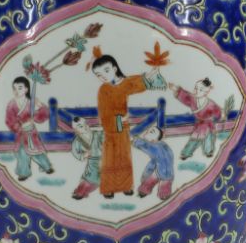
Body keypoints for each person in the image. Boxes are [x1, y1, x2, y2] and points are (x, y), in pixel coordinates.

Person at [92, 54, 165, 199]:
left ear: (114, 68)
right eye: (99, 75)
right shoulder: (103, 90)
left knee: (124, 157)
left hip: (123, 128)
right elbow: (103, 113)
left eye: (106, 71)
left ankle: (125, 186)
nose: (103, 76)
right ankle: (109, 188)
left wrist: (150, 75)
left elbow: (133, 83)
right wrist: (118, 120)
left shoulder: (123, 84)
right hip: (111, 129)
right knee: (110, 159)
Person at [5, 76, 54, 180]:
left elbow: (43, 116)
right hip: (21, 134)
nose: (16, 91)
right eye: (14, 88)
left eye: (20, 88)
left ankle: (47, 166)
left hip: (32, 132)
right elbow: (9, 121)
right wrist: (19, 127)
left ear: (26, 89)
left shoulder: (31, 102)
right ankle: (23, 173)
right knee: (22, 153)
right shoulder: (11, 104)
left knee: (38, 151)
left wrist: (40, 106)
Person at [169, 77, 222, 159]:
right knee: (194, 139)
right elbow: (185, 96)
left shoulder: (210, 104)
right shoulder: (192, 99)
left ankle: (208, 152)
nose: (196, 91)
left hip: (207, 125)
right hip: (199, 125)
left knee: (208, 139)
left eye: (200, 90)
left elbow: (218, 112)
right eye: (196, 88)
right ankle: (186, 153)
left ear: (206, 92)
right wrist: (175, 89)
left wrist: (218, 117)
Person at [133, 125, 174, 200]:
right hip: (162, 168)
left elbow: (146, 146)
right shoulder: (161, 144)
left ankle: (162, 194)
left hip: (164, 170)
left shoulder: (156, 147)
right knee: (154, 179)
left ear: (155, 139)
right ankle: (144, 191)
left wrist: (136, 141)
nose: (147, 132)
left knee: (161, 181)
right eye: (148, 131)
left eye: (151, 132)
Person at [70, 116, 103, 200]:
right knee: (90, 180)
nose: (84, 127)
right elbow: (75, 152)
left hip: (105, 160)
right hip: (92, 163)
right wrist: (84, 155)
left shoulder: (97, 134)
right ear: (76, 130)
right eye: (80, 126)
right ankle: (80, 192)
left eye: (85, 124)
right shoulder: (77, 141)